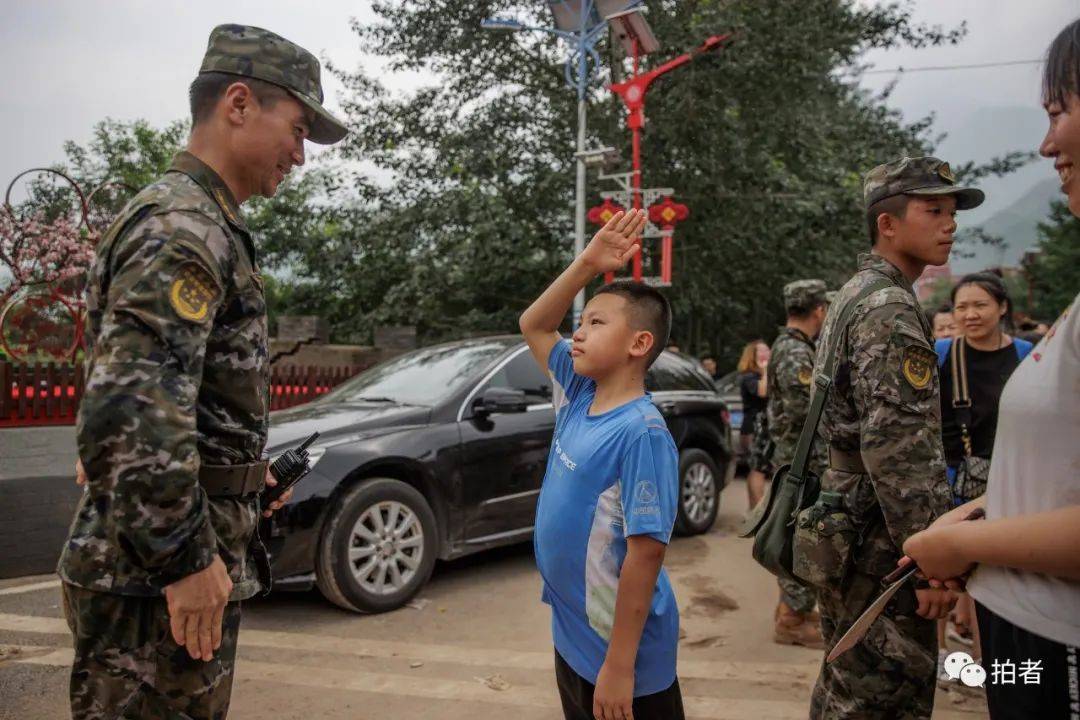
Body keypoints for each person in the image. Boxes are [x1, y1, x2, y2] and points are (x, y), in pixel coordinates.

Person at [57, 24, 347, 720]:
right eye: (298, 129)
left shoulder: (201, 221)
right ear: (239, 103)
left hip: (162, 562)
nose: (300, 157)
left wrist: (245, 484)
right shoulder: (182, 229)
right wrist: (182, 561)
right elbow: (128, 415)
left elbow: (174, 401)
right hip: (151, 579)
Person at [902, 21, 1080, 719]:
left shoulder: (1025, 348)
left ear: (1004, 309)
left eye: (1059, 111)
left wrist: (962, 543)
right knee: (987, 692)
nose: (1046, 144)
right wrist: (972, 536)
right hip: (1007, 609)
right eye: (932, 211)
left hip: (1053, 642)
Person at [807, 156, 984, 719]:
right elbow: (900, 451)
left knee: (846, 682)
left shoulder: (855, 293)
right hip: (884, 543)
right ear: (887, 224)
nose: (949, 223)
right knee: (885, 696)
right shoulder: (890, 308)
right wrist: (931, 562)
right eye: (933, 210)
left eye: (952, 211)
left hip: (846, 519)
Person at [519, 208, 685, 720]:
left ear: (639, 344)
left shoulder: (642, 433)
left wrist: (619, 665)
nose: (580, 332)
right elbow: (534, 323)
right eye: (581, 321)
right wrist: (587, 264)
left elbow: (645, 556)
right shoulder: (579, 390)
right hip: (573, 632)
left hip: (623, 656)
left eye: (596, 322)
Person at [766, 279, 831, 649]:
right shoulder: (794, 352)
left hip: (798, 460)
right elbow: (803, 410)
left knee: (799, 535)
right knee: (797, 538)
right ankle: (792, 619)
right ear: (819, 310)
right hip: (798, 463)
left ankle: (796, 610)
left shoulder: (792, 347)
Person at [737, 340, 771, 508]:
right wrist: (766, 369)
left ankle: (754, 511)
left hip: (755, 428)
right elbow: (762, 392)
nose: (767, 353)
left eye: (767, 349)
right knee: (758, 470)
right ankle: (758, 512)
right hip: (752, 428)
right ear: (753, 355)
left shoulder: (756, 375)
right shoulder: (749, 375)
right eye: (762, 351)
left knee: (755, 469)